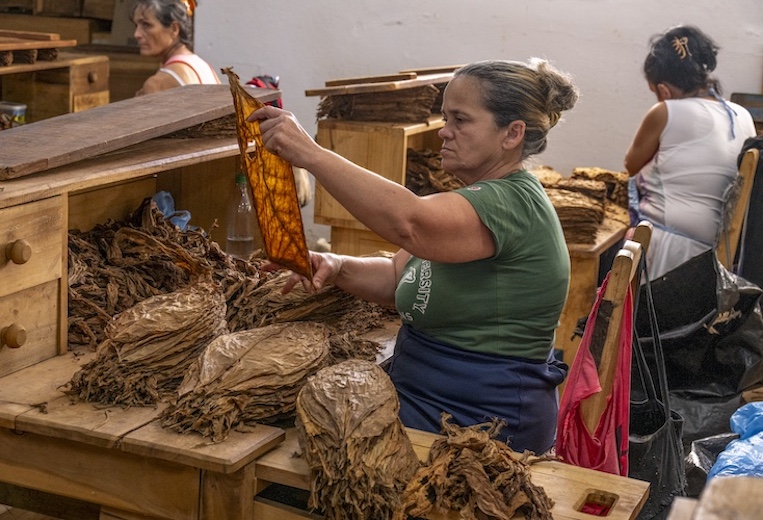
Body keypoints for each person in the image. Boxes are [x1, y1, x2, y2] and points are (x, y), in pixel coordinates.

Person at [249, 59, 579, 454]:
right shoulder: (474, 201)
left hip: (483, 425)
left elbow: (410, 224)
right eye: (445, 118)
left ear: (512, 133)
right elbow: (395, 276)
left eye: (460, 120)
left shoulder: (513, 204)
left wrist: (312, 155)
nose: (444, 132)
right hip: (426, 399)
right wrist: (336, 266)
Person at [625, 25, 756, 280]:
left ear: (663, 90)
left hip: (668, 250)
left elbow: (630, 165)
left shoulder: (666, 112)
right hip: (720, 253)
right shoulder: (741, 115)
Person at [131, 0, 220, 96]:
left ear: (174, 29)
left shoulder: (158, 83)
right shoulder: (203, 67)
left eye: (146, 25)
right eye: (136, 26)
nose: (137, 34)